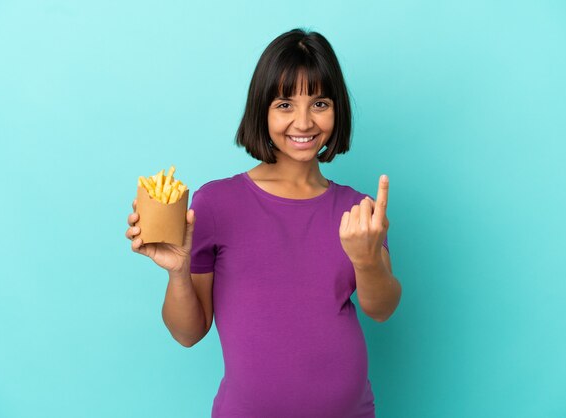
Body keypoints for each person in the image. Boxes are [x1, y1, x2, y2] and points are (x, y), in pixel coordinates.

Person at [125, 28, 402, 418]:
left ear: (337, 109)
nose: (303, 122)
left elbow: (382, 308)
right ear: (262, 109)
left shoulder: (358, 209)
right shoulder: (217, 204)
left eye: (319, 103)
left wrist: (367, 259)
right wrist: (177, 272)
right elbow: (188, 333)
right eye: (284, 104)